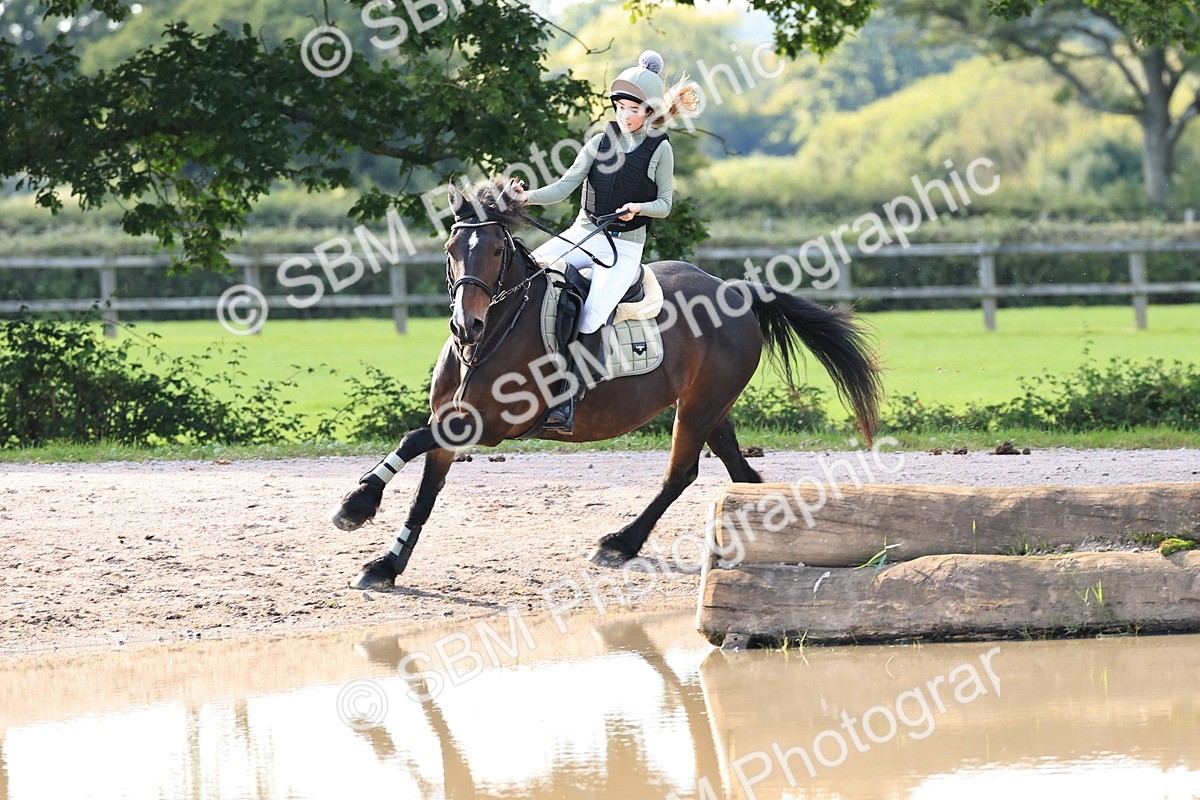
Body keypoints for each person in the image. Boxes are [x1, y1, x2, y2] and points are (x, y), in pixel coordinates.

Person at [510, 49, 700, 433]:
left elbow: (665, 204)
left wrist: (639, 208)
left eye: (633, 109)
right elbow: (564, 187)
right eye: (620, 107)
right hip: (582, 233)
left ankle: (567, 398)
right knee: (529, 277)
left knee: (594, 311)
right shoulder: (599, 142)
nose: (624, 115)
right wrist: (525, 196)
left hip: (625, 247)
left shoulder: (660, 148)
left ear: (648, 112)